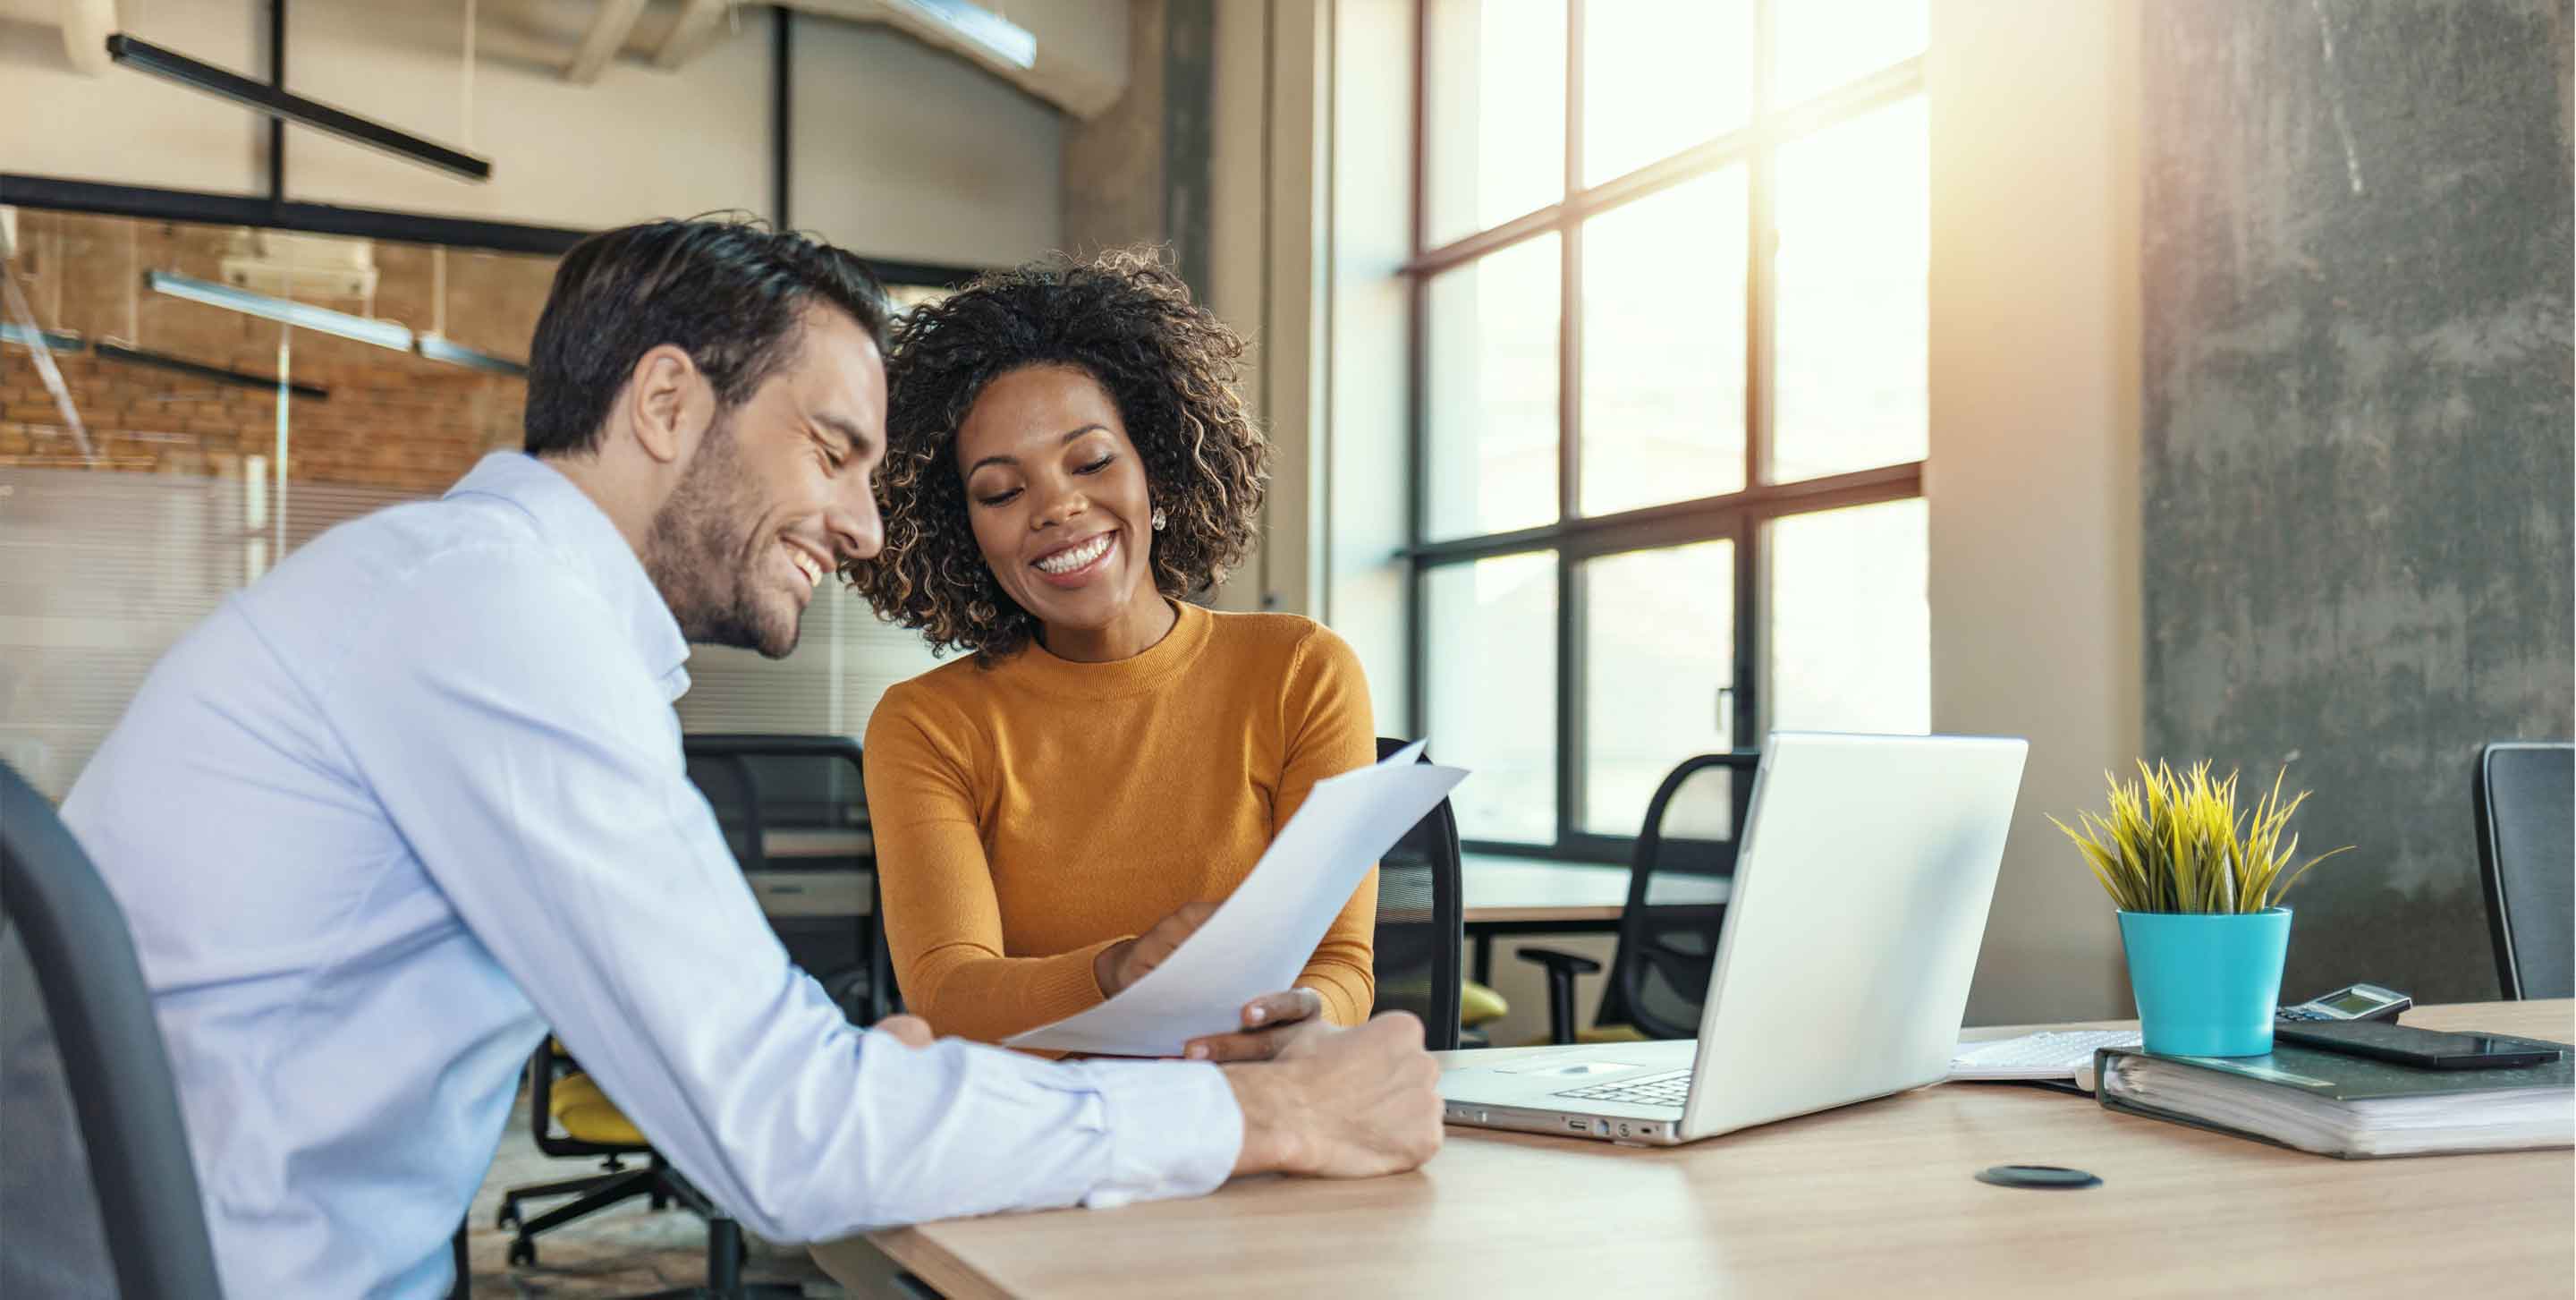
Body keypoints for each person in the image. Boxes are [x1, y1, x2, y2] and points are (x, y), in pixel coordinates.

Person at [0, 220, 1440, 1300]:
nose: (870, 526)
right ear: (670, 404)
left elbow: (767, 1090)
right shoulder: (493, 615)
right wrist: (1264, 1112)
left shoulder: (488, 600)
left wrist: (867, 1089)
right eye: (831, 449)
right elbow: (781, 1138)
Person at [848, 251, 1377, 1062]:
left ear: (1156, 473)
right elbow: (949, 992)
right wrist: (1116, 972)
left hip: (1252, 1109)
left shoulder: (1302, 671)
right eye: (1000, 491)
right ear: (964, 532)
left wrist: (1302, 1019)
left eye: (1091, 461)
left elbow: (1339, 966)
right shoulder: (927, 723)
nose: (1057, 506)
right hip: (1039, 1134)